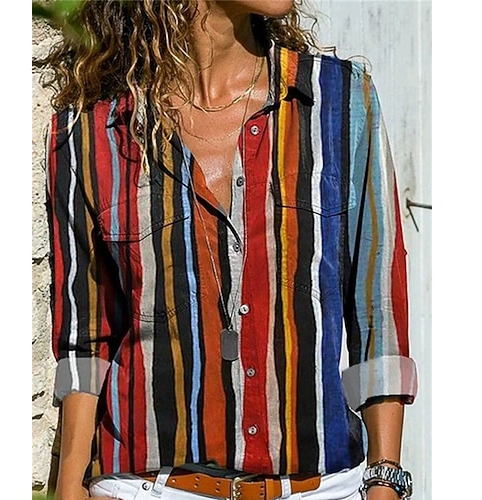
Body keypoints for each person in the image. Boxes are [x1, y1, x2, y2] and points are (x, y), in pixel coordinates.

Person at [42, 1, 418, 499]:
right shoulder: (91, 134)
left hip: (320, 486)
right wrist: (70, 485)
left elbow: (377, 308)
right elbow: (86, 337)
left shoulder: (337, 101)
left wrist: (385, 479)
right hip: (151, 487)